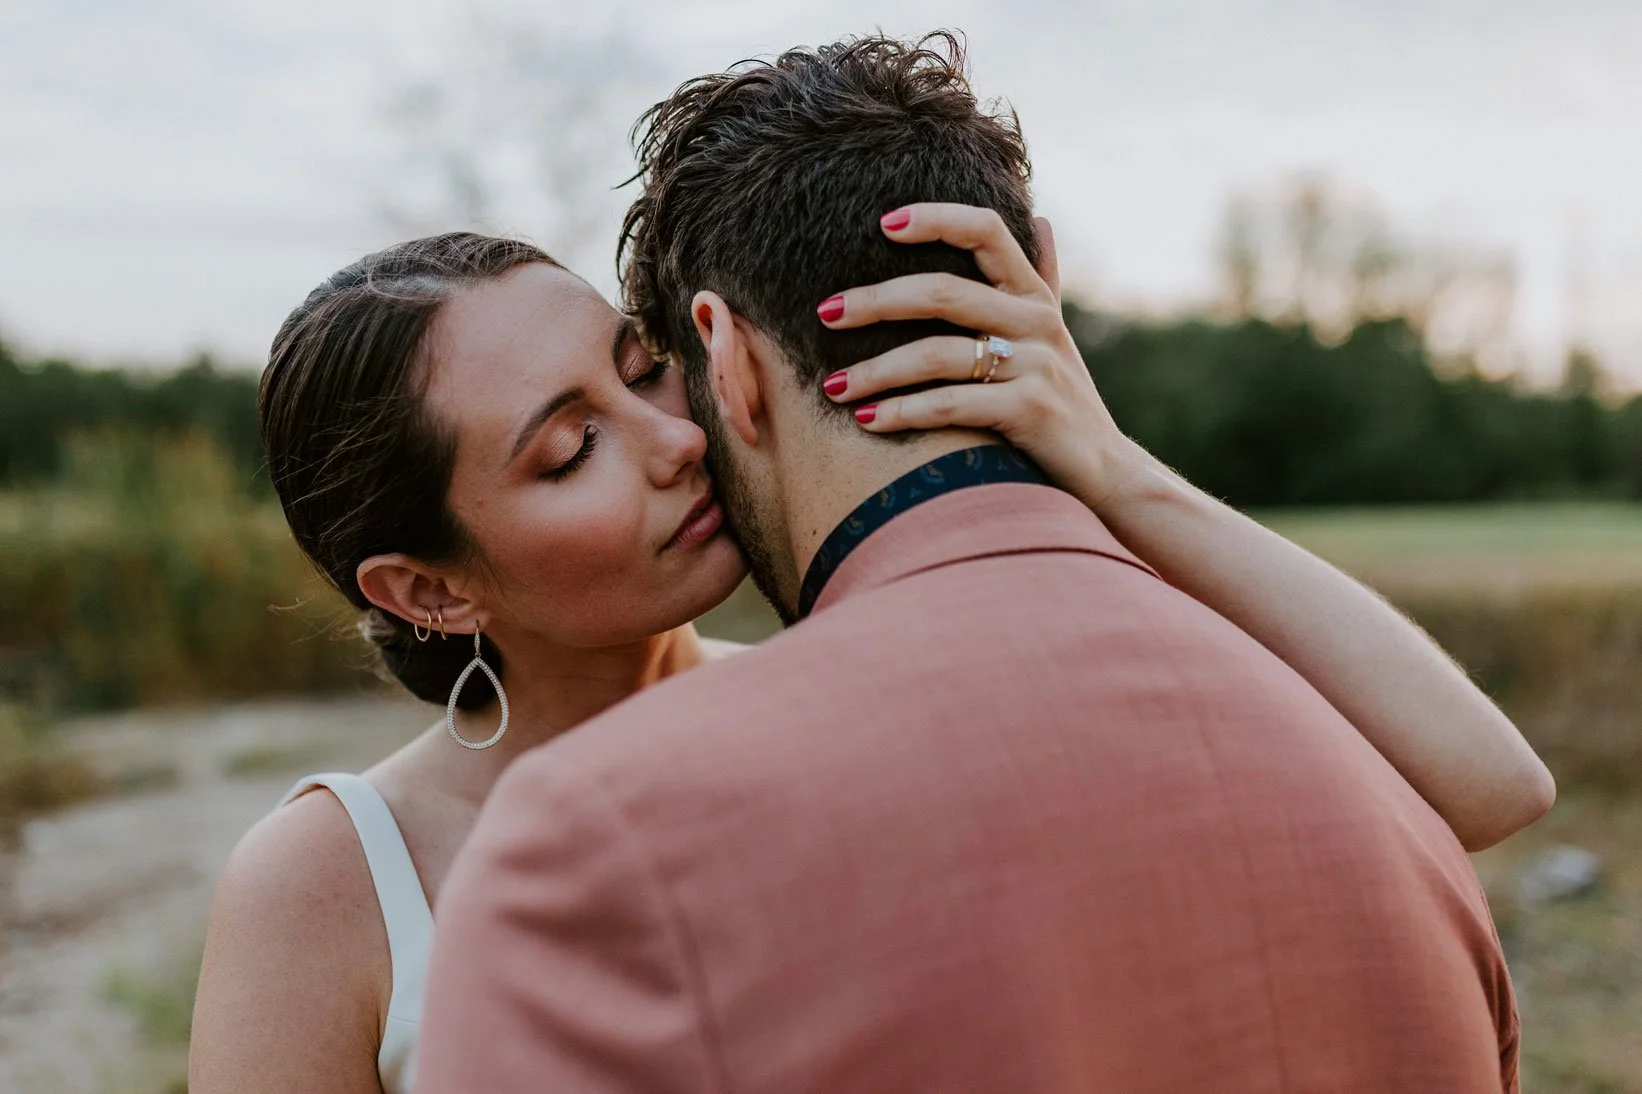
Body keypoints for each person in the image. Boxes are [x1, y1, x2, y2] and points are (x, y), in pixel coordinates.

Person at [192, 35, 1551, 1094]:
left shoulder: (837, 706)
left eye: (641, 367)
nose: (674, 441)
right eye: (566, 453)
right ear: (428, 587)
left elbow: (1487, 782)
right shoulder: (324, 880)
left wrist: (1108, 458)